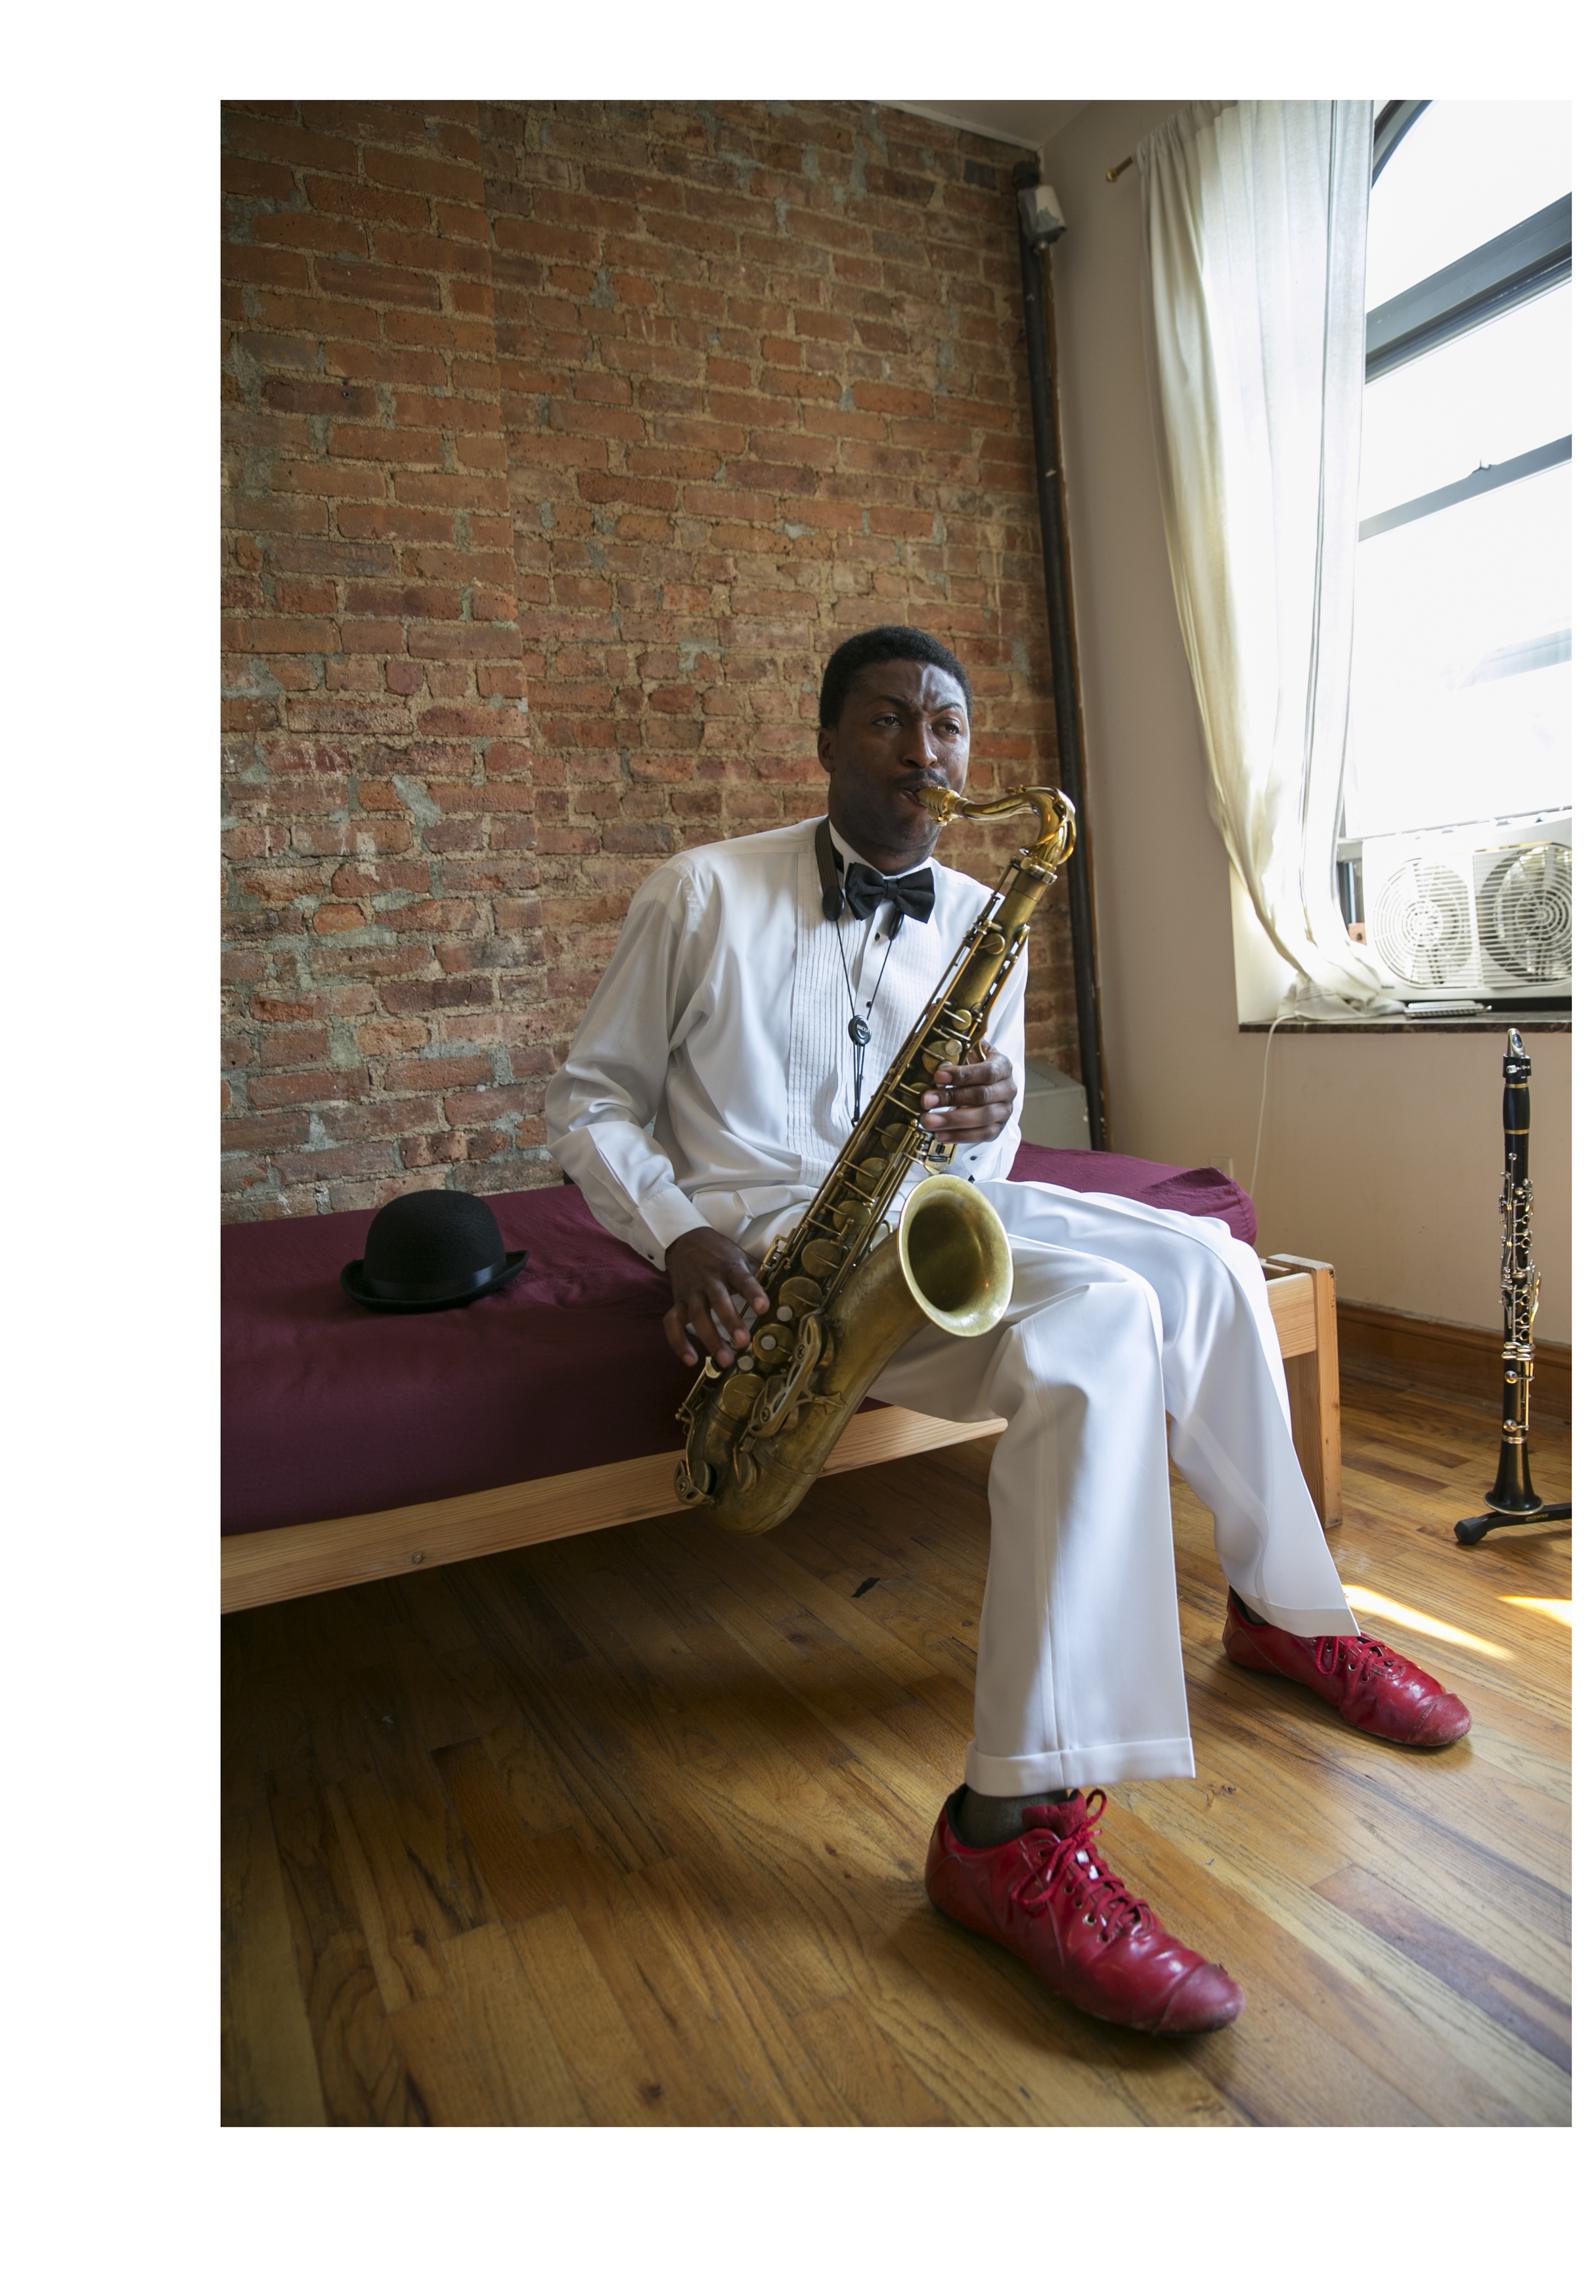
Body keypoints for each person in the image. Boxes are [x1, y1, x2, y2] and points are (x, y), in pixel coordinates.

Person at [546, 624, 1470, 2038]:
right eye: (885, 720)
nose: (922, 752)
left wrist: (984, 1123)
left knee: (1212, 1261)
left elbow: (979, 1159)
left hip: (927, 1216)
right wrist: (680, 1237)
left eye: (946, 727)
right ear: (826, 739)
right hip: (783, 1244)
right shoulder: (699, 892)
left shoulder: (988, 909)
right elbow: (589, 1101)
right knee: (1098, 1323)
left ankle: (1288, 1616)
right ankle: (1010, 1825)